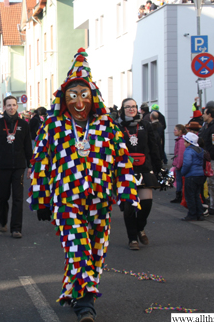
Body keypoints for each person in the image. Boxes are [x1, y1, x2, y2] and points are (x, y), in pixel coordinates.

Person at [28, 49, 137, 322]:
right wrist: (41, 198)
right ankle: (85, 305)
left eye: (84, 95)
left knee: (96, 251)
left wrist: (126, 195)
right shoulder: (52, 126)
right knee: (78, 248)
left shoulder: (107, 126)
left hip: (100, 200)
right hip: (66, 200)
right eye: (73, 95)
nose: (79, 101)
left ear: (93, 97)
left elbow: (123, 162)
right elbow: (40, 162)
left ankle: (74, 291)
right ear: (64, 99)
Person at [118, 98, 161, 251]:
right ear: (122, 109)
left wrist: (158, 167)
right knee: (129, 207)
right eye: (128, 107)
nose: (131, 109)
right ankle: (132, 238)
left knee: (146, 203)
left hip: (144, 168)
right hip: (125, 170)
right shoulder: (117, 127)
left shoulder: (146, 125)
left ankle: (140, 228)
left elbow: (153, 146)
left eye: (134, 106)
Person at [0, 96, 32, 238]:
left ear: (17, 107)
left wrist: (30, 165)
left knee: (18, 198)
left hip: (19, 166)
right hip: (3, 166)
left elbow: (28, 147)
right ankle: (2, 221)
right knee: (3, 197)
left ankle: (16, 228)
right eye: (8, 105)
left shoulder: (24, 125)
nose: (11, 107)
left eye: (13, 105)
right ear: (4, 107)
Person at [180, 132, 206, 221]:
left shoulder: (188, 151)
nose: (184, 143)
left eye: (185, 142)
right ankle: (200, 213)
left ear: (189, 142)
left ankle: (192, 214)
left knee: (190, 195)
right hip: (200, 175)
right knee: (197, 195)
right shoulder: (200, 150)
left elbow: (187, 164)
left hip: (191, 175)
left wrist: (183, 172)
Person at [171, 124, 187, 204]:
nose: (174, 131)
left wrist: (178, 165)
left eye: (175, 130)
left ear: (180, 131)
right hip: (180, 164)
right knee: (179, 180)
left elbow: (180, 154)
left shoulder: (181, 141)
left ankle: (179, 196)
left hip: (179, 164)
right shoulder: (181, 140)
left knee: (179, 180)